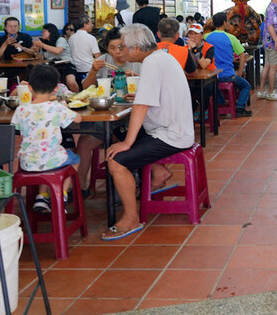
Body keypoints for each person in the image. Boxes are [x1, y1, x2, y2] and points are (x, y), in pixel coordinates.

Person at [101, 24, 195, 241]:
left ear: (135, 48)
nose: (121, 52)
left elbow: (142, 106)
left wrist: (127, 144)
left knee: (117, 160)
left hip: (171, 134)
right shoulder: (161, 56)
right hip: (172, 127)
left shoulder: (152, 63)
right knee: (122, 131)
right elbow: (152, 96)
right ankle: (159, 172)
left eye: (123, 47)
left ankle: (131, 218)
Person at [76, 27, 142, 193]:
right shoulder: (103, 61)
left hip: (131, 118)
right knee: (83, 143)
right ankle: (80, 189)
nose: (117, 52)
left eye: (120, 47)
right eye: (112, 48)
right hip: (106, 115)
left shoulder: (136, 61)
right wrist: (93, 71)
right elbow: (84, 88)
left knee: (118, 140)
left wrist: (134, 77)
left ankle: (128, 183)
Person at [11, 64, 82, 213]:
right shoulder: (57, 107)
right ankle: (61, 196)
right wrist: (65, 107)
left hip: (26, 163)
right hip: (53, 159)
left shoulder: (21, 109)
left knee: (46, 161)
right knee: (75, 159)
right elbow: (78, 119)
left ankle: (42, 196)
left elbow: (16, 128)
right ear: (56, 89)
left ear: (29, 87)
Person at [205, 12, 252, 118]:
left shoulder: (207, 37)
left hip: (212, 75)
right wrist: (240, 72)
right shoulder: (231, 38)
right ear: (224, 23)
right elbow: (242, 55)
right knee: (246, 86)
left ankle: (220, 105)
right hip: (228, 74)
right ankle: (240, 107)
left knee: (215, 86)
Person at [257, 0, 277, 102]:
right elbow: (270, 25)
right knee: (273, 67)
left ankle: (262, 91)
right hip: (273, 43)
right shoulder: (273, 8)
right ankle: (271, 92)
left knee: (267, 66)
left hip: (268, 42)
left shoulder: (270, 7)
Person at [33, 23, 79, 92]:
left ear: (51, 32)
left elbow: (58, 51)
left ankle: (77, 98)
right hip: (52, 67)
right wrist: (36, 52)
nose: (42, 33)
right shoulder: (44, 43)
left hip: (66, 64)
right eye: (42, 31)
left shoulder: (60, 39)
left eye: (44, 31)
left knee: (71, 82)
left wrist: (42, 45)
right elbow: (41, 58)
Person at [68, 14, 100, 85]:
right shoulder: (91, 38)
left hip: (75, 71)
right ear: (85, 24)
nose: (92, 25)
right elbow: (98, 57)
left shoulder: (71, 38)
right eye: (91, 23)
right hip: (88, 70)